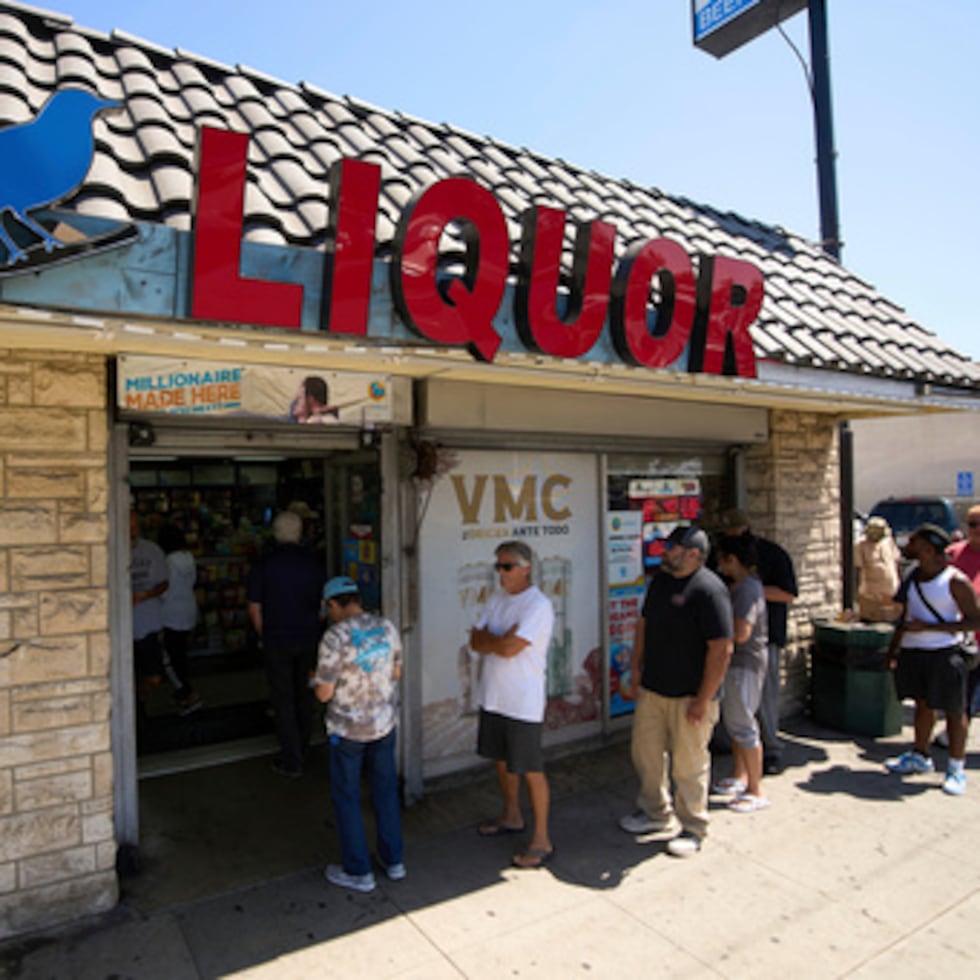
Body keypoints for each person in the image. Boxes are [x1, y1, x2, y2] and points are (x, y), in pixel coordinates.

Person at [619, 525, 733, 857]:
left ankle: (694, 826)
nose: (665, 551)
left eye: (671, 547)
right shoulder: (661, 582)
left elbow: (722, 649)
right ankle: (655, 813)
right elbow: (644, 623)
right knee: (647, 755)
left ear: (693, 554)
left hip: (690, 696)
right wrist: (636, 665)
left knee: (689, 763)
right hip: (655, 689)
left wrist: (703, 698)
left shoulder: (709, 590)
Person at [314, 576, 404, 893]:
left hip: (347, 731)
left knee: (348, 798)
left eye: (329, 609)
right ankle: (394, 862)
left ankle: (358, 872)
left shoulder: (334, 637)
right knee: (385, 791)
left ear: (333, 605)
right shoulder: (387, 627)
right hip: (383, 724)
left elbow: (324, 694)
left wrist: (317, 680)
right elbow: (396, 672)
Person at [471, 541, 556, 869]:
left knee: (531, 767)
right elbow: (476, 641)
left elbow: (509, 648)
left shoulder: (538, 605)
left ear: (526, 568)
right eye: (498, 566)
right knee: (502, 760)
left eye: (507, 567)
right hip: (495, 694)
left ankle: (542, 838)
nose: (501, 573)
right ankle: (512, 815)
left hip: (523, 700)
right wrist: (500, 639)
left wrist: (497, 641)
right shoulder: (497, 599)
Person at [884, 524, 980, 795]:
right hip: (915, 652)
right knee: (923, 705)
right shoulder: (913, 577)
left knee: (953, 710)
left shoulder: (954, 581)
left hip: (945, 653)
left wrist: (929, 628)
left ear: (928, 549)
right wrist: (892, 652)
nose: (908, 544)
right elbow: (903, 617)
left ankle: (955, 767)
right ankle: (919, 754)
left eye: (914, 542)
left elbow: (975, 621)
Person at [718, 508, 797, 774]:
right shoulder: (723, 562)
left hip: (763, 638)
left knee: (763, 699)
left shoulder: (771, 555)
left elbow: (788, 593)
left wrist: (745, 589)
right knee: (736, 705)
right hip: (731, 643)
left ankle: (770, 751)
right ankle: (738, 759)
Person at [247, 510, 325, 777]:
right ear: (300, 533)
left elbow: (255, 608)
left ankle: (292, 759)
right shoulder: (314, 563)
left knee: (283, 698)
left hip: (277, 639)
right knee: (305, 694)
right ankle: (303, 747)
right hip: (309, 638)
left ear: (275, 534)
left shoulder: (264, 565)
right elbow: (324, 605)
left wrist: (264, 635)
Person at [714, 534, 769, 812]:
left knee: (744, 725)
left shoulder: (746, 590)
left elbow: (741, 633)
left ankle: (755, 789)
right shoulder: (744, 586)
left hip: (744, 666)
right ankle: (740, 774)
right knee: (736, 722)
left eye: (722, 560)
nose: (720, 567)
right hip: (738, 666)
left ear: (732, 560)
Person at [158, 523, 202, 715]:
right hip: (188, 611)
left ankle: (188, 694)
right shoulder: (189, 558)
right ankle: (182, 694)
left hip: (170, 614)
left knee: (169, 659)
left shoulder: (167, 562)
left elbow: (163, 590)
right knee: (181, 655)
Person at [130, 510, 169, 714]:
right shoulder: (110, 550)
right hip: (121, 628)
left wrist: (145, 595)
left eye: (135, 527)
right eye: (128, 528)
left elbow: (164, 584)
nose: (132, 532)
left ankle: (140, 700)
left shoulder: (152, 550)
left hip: (148, 623)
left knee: (153, 675)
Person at [947, 504, 980, 724]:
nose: (978, 529)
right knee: (962, 694)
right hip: (964, 638)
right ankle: (956, 740)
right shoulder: (954, 554)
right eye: (973, 524)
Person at [855, 516, 902, 622]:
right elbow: (858, 569)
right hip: (872, 593)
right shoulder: (861, 546)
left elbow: (896, 561)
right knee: (873, 619)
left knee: (892, 619)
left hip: (891, 590)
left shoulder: (888, 542)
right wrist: (857, 592)